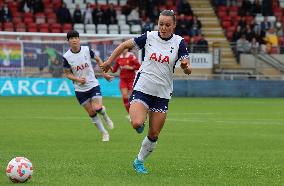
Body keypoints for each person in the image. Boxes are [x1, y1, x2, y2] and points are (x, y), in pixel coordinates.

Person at [100, 10, 191, 174]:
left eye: (167, 25)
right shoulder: (149, 37)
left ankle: (139, 161)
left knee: (154, 134)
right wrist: (108, 62)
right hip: (143, 88)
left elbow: (186, 62)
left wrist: (186, 67)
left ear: (174, 25)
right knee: (136, 123)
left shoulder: (179, 42)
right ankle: (140, 119)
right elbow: (124, 45)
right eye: (161, 24)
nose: (163, 28)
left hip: (162, 94)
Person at [63, 30, 114, 142]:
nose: (74, 40)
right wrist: (77, 79)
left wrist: (104, 73)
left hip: (92, 84)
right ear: (68, 41)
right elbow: (67, 73)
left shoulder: (86, 50)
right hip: (79, 89)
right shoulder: (66, 56)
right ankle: (104, 133)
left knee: (98, 108)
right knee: (91, 112)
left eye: (76, 38)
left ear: (79, 39)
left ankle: (105, 116)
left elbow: (97, 59)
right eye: (71, 38)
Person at [111, 48, 140, 116]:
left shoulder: (131, 56)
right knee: (125, 96)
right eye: (122, 49)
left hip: (131, 80)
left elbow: (139, 66)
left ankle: (135, 112)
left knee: (131, 97)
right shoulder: (119, 58)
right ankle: (130, 114)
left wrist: (131, 67)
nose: (123, 50)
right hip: (123, 80)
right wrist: (108, 66)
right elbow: (114, 70)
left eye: (125, 49)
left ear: (127, 49)